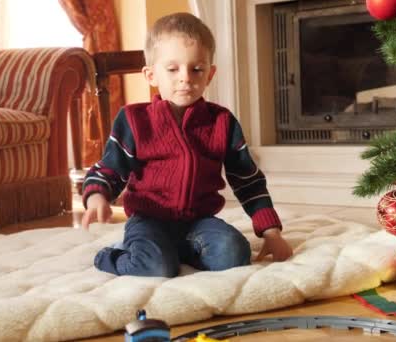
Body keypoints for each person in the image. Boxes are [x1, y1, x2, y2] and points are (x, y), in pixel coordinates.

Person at [81, 12, 292, 277]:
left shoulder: (222, 121)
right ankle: (113, 255)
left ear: (210, 74)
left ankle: (179, 251)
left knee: (235, 254)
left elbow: (248, 180)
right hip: (148, 220)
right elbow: (109, 169)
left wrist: (271, 231)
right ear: (151, 75)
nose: (186, 78)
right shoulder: (134, 120)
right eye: (172, 69)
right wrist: (97, 195)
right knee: (157, 267)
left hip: (198, 222)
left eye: (196, 69)